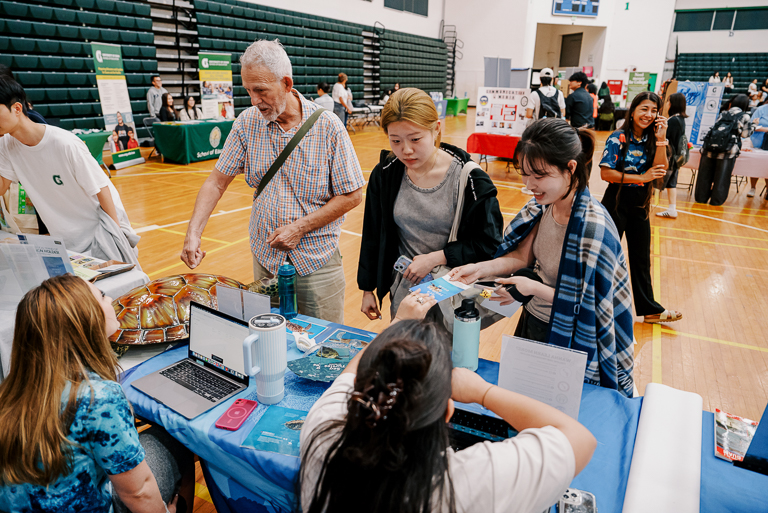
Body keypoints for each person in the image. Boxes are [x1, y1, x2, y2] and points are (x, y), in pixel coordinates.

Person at [299, 314, 597, 513]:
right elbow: (580, 439)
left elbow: (353, 373)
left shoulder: (322, 431)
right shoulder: (472, 481)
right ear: (447, 413)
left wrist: (399, 325)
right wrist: (484, 392)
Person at [181, 40, 364, 324]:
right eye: (249, 91)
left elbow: (352, 196)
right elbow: (216, 182)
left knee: (323, 347)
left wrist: (300, 227)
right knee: (270, 339)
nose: (254, 100)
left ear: (287, 83)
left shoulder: (329, 127)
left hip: (316, 261)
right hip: (266, 260)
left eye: (261, 90)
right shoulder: (246, 124)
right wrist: (194, 232)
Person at [450, 119, 635, 396]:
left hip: (571, 337)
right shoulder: (543, 206)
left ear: (571, 168)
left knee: (553, 408)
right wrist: (478, 269)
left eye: (539, 175)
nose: (529, 185)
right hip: (533, 320)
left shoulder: (593, 227)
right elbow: (520, 257)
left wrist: (534, 288)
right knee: (523, 400)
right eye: (525, 174)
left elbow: (591, 305)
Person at [0, 275, 195, 513]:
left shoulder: (13, 388)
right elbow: (139, 491)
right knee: (178, 441)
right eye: (102, 296)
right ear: (86, 320)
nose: (111, 299)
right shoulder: (98, 397)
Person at [357, 88, 503, 323]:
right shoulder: (385, 174)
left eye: (415, 139)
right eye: (395, 140)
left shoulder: (470, 179)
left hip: (454, 295)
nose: (406, 150)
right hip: (405, 293)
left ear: (436, 129)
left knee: (448, 356)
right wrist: (367, 288)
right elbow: (373, 233)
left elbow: (489, 244)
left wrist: (439, 257)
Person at [0, 78, 135, 254]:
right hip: (66, 239)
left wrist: (116, 235)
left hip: (100, 231)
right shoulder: (6, 145)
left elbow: (102, 189)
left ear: (17, 109)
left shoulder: (65, 144)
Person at [600, 91, 682, 324]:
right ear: (633, 110)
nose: (648, 114)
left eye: (654, 110)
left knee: (640, 258)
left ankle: (650, 310)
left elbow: (661, 169)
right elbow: (606, 173)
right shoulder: (618, 137)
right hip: (616, 201)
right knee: (607, 257)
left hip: (640, 204)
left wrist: (661, 137)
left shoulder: (653, 138)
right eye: (644, 109)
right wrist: (642, 177)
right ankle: (596, 303)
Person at [695, 94, 755, 206]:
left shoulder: (723, 113)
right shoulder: (745, 116)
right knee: (722, 177)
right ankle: (716, 201)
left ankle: (700, 198)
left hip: (709, 148)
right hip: (727, 151)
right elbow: (745, 134)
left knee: (704, 175)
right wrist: (754, 125)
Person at [656, 92, 688, 219]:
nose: (667, 104)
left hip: (669, 156)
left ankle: (648, 205)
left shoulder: (674, 120)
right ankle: (671, 209)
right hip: (675, 157)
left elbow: (667, 138)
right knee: (671, 183)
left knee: (659, 181)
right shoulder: (680, 119)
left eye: (668, 101)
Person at [747, 99, 768, 197]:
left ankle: (767, 190)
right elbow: (752, 125)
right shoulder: (761, 109)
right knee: (756, 165)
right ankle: (753, 187)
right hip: (758, 141)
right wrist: (766, 129)